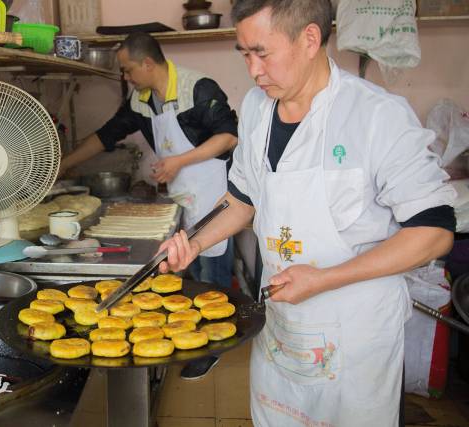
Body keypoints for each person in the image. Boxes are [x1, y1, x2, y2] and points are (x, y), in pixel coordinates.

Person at [158, 0, 457, 425]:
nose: (253, 71)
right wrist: (195, 242)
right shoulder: (259, 110)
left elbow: (435, 230)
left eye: (262, 52)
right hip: (282, 330)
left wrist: (325, 279)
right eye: (244, 54)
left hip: (354, 337)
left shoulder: (376, 116)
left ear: (310, 39)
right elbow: (243, 198)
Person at [59, 32, 238, 289]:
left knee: (212, 282)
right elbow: (106, 135)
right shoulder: (140, 100)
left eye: (128, 70)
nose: (126, 77)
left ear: (148, 64)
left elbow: (229, 137)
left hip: (214, 198)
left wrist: (178, 161)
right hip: (182, 199)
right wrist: (65, 164)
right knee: (192, 274)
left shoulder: (197, 88)